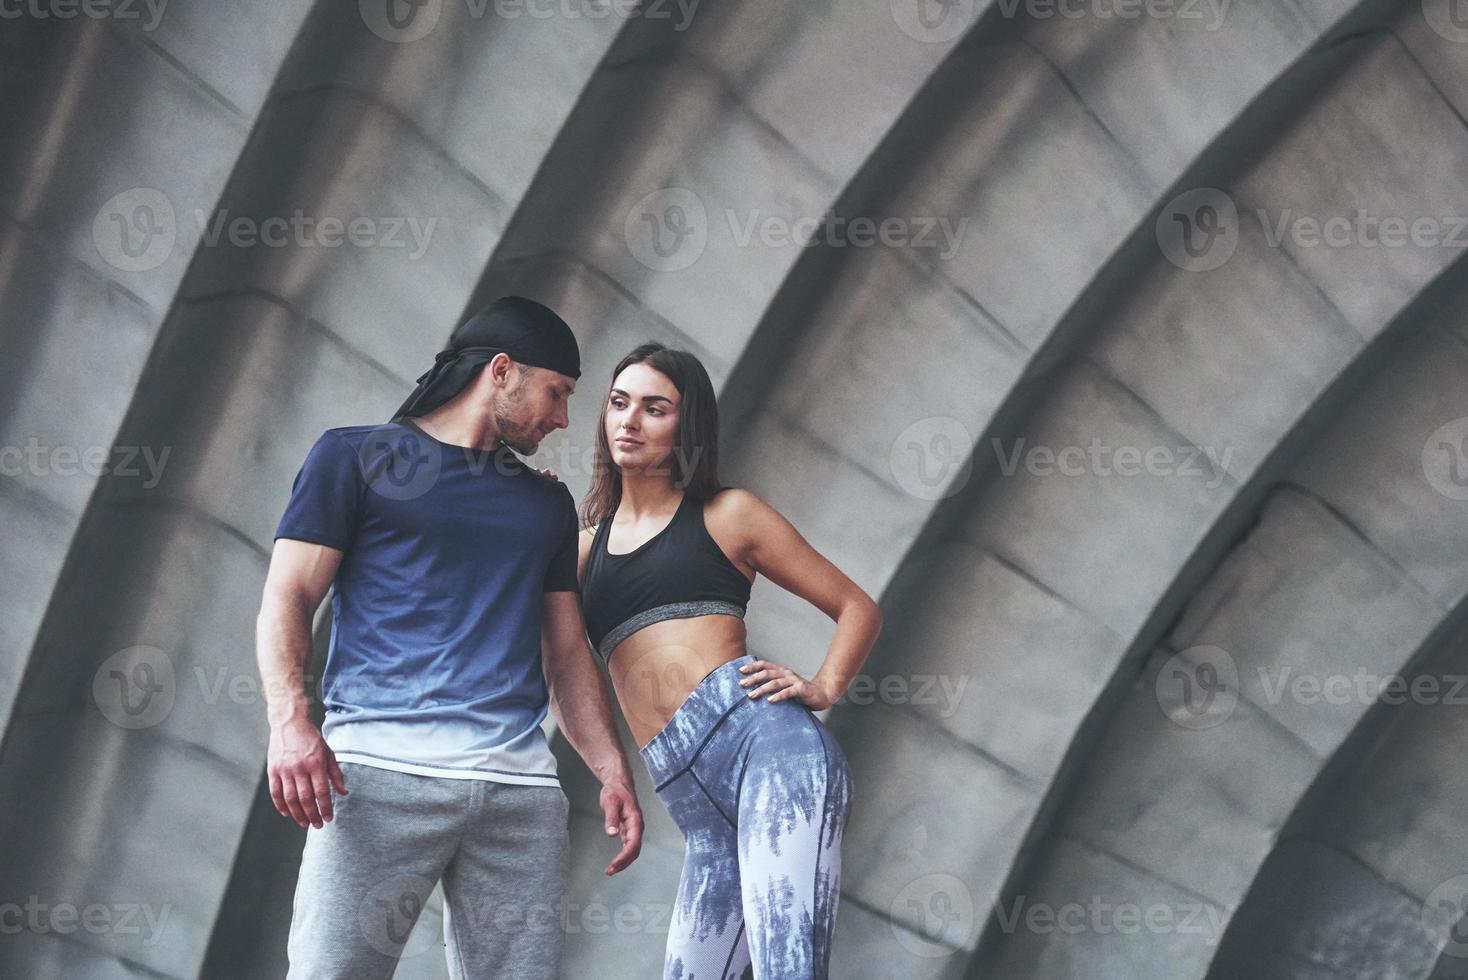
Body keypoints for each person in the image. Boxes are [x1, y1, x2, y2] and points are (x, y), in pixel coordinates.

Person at [257, 296, 643, 980]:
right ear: (501, 371)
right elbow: (289, 594)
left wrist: (610, 768)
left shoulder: (543, 503)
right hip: (376, 776)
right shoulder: (354, 458)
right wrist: (290, 720)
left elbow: (566, 653)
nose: (561, 418)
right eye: (556, 393)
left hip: (517, 794)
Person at [576, 342, 883, 979]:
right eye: (618, 403)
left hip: (772, 757)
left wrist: (823, 685)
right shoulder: (581, 549)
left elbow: (857, 606)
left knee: (787, 971)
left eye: (654, 408)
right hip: (698, 814)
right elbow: (548, 655)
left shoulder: (728, 515)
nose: (629, 421)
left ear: (685, 426)